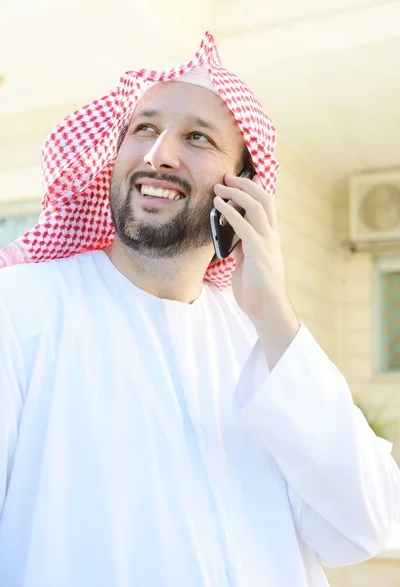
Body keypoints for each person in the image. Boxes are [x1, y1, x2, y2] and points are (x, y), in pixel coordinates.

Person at [0, 32, 399, 587]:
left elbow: (361, 528)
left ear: (243, 190)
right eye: (143, 128)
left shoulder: (262, 343)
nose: (158, 152)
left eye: (197, 137)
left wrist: (275, 315)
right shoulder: (20, 311)